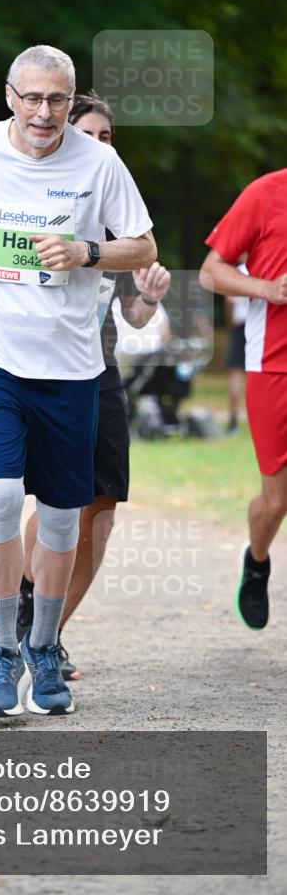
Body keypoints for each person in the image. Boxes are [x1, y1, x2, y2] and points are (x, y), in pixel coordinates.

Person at [0, 45, 156, 719]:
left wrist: (87, 252)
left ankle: (42, 647)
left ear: (68, 99)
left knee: (57, 514)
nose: (44, 112)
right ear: (9, 97)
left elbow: (142, 245)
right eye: (32, 98)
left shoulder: (98, 162)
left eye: (56, 99)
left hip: (71, 365)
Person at [18, 93, 171, 680]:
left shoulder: (121, 221)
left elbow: (131, 320)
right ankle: (24, 612)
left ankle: (48, 637)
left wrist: (150, 297)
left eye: (109, 137)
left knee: (101, 511)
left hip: (102, 372)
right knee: (61, 504)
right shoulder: (46, 209)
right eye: (91, 134)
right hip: (51, 368)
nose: (102, 146)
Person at [199, 169, 287, 629]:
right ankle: (256, 560)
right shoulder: (265, 193)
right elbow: (211, 271)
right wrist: (266, 288)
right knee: (276, 501)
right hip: (273, 365)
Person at [223, 264, 249, 434]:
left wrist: (230, 322)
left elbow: (230, 300)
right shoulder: (268, 267)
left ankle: (233, 421)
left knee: (235, 374)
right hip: (260, 326)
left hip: (239, 325)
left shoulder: (238, 271)